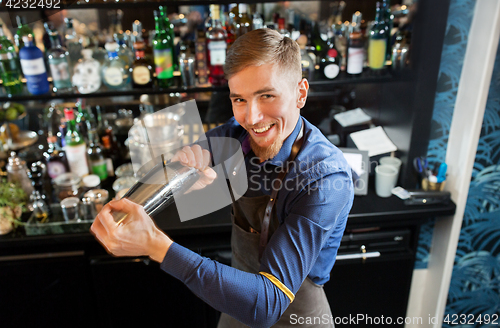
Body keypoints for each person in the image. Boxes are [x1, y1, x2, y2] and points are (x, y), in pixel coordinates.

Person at [91, 28, 354, 327]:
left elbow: (269, 305)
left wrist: (156, 246)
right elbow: (178, 167)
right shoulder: (237, 134)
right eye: (239, 99)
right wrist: (180, 173)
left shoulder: (324, 179)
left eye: (267, 95)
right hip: (233, 292)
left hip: (293, 307)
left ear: (300, 94)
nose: (252, 118)